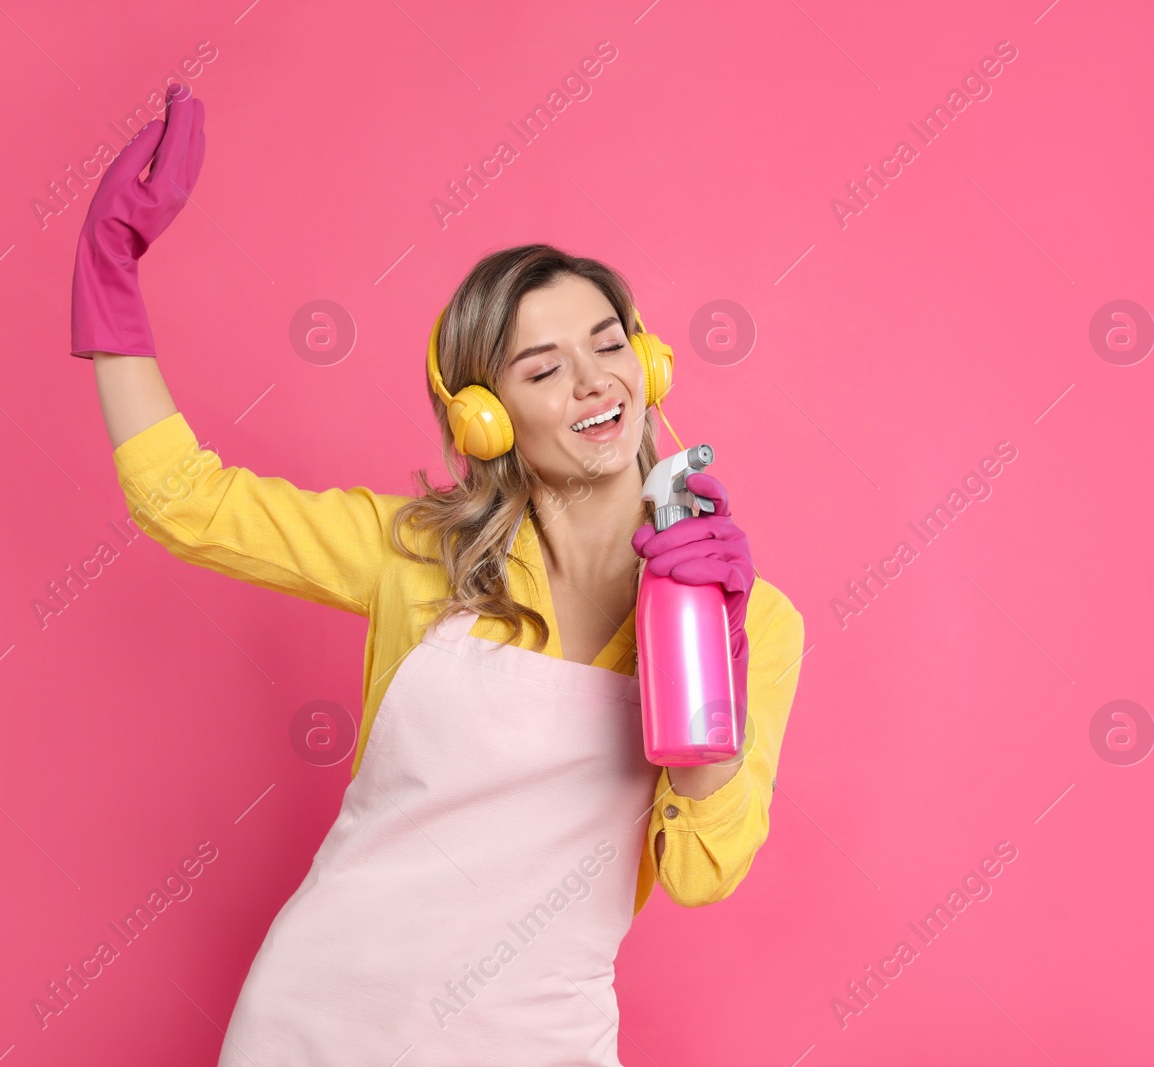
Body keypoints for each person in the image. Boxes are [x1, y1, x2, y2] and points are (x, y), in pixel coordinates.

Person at [71, 84, 806, 1066]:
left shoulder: (749, 611)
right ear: (484, 418)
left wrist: (710, 652)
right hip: (316, 1027)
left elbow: (703, 869)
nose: (593, 381)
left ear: (649, 362)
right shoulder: (417, 551)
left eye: (607, 343)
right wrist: (109, 275)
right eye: (541, 368)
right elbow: (185, 498)